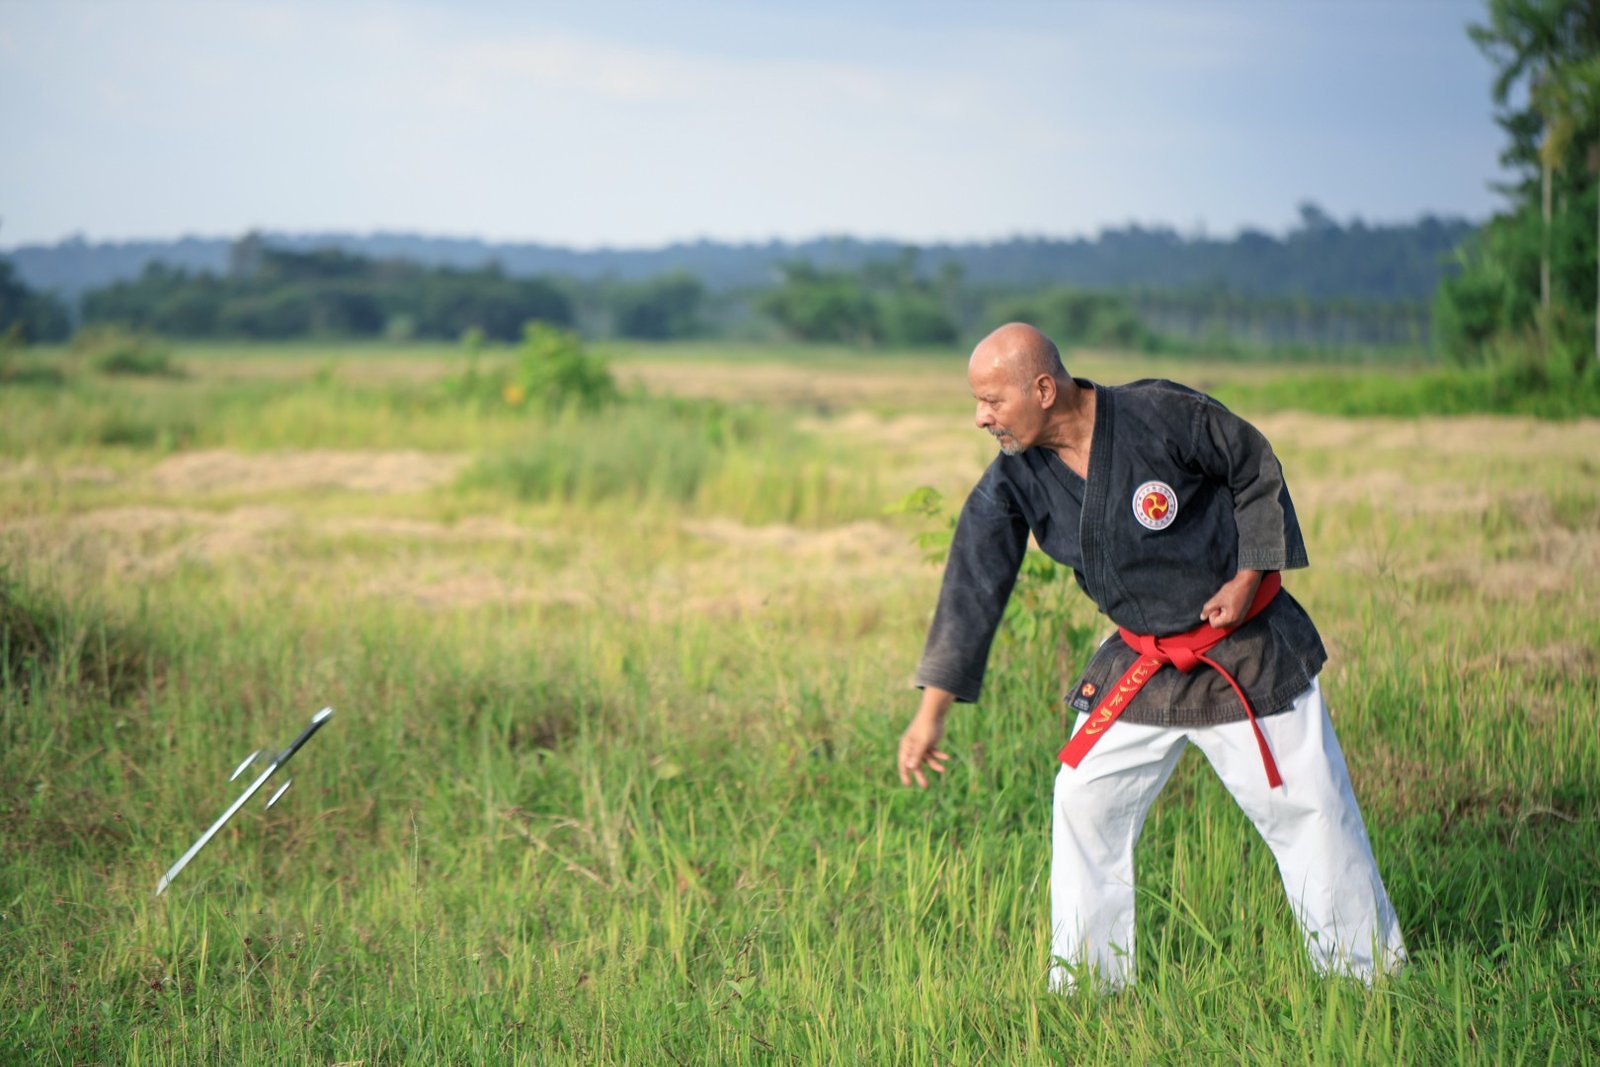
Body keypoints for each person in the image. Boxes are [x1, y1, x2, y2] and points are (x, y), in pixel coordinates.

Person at [896, 322, 1405, 992]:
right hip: (1143, 663)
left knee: (1306, 805)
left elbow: (1253, 467)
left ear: (1043, 388)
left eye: (991, 400)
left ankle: (1365, 979)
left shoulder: (1159, 414)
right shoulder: (1017, 477)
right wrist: (931, 712)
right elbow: (973, 578)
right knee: (1084, 799)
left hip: (1244, 654)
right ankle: (1088, 982)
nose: (980, 417)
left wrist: (1249, 575)